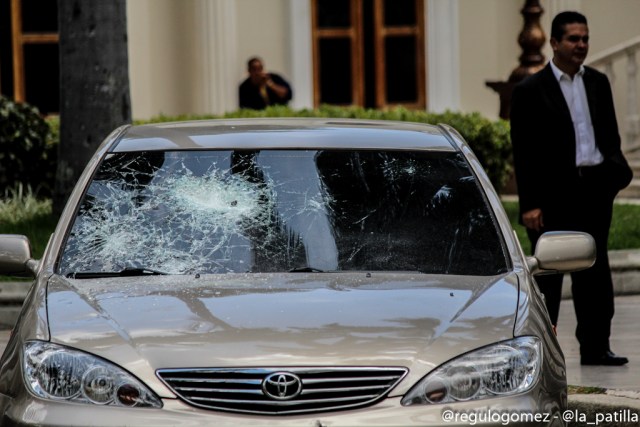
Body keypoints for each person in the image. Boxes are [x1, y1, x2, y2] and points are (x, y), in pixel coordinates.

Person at [510, 11, 632, 366]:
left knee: (595, 273)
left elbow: (609, 136)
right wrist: (530, 204)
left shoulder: (597, 82)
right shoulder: (530, 90)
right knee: (548, 277)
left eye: (585, 38)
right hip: (552, 196)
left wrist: (614, 174)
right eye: (573, 39)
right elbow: (524, 151)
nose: (581, 45)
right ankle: (543, 354)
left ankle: (596, 348)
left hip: (594, 189)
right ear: (555, 42)